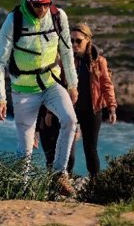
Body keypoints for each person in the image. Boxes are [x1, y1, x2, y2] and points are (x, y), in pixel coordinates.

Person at [0, 0, 79, 196]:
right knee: (26, 149)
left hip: (51, 81)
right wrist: (0, 98)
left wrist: (73, 84)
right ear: (29, 1)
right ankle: (23, 189)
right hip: (24, 88)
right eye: (38, 5)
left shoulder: (59, 17)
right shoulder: (14, 19)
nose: (42, 9)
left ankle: (60, 175)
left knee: (70, 120)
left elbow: (67, 52)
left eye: (46, 4)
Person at [38, 23, 117, 178]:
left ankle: (95, 183)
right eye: (71, 40)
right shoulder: (65, 61)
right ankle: (66, 181)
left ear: (88, 40)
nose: (74, 44)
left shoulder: (99, 61)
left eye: (78, 41)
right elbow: (57, 86)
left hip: (92, 110)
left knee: (90, 149)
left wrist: (112, 108)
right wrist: (49, 112)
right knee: (68, 150)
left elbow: (107, 85)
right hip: (70, 109)